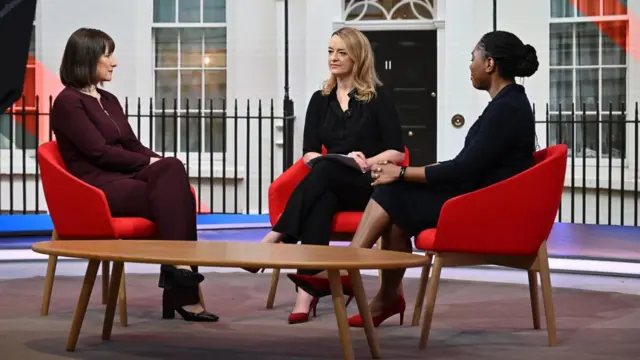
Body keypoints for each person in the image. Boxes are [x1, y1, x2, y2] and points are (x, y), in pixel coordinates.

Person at [292, 30, 540, 327]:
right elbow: (473, 164)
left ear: (489, 64)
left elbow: (465, 168)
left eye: (472, 58)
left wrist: (402, 172)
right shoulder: (508, 104)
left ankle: (346, 271)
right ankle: (386, 296)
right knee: (396, 204)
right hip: (477, 196)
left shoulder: (507, 109)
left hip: (484, 207)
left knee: (391, 193)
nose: (469, 66)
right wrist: (415, 173)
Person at [50, 28, 218, 322]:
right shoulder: (68, 102)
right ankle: (181, 290)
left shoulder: (109, 99)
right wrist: (147, 164)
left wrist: (154, 160)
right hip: (97, 187)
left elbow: (131, 144)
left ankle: (177, 278)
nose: (114, 62)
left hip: (126, 178)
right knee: (176, 196)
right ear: (87, 58)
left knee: (172, 168)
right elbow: (98, 152)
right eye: (108, 55)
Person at [243, 27, 406, 324]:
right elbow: (308, 153)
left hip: (368, 184)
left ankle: (277, 236)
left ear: (358, 57)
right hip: (331, 178)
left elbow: (397, 152)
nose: (334, 58)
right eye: (331, 51)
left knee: (327, 172)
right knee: (322, 195)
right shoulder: (321, 99)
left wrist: (365, 162)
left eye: (342, 52)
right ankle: (307, 290)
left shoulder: (378, 98)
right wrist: (334, 159)